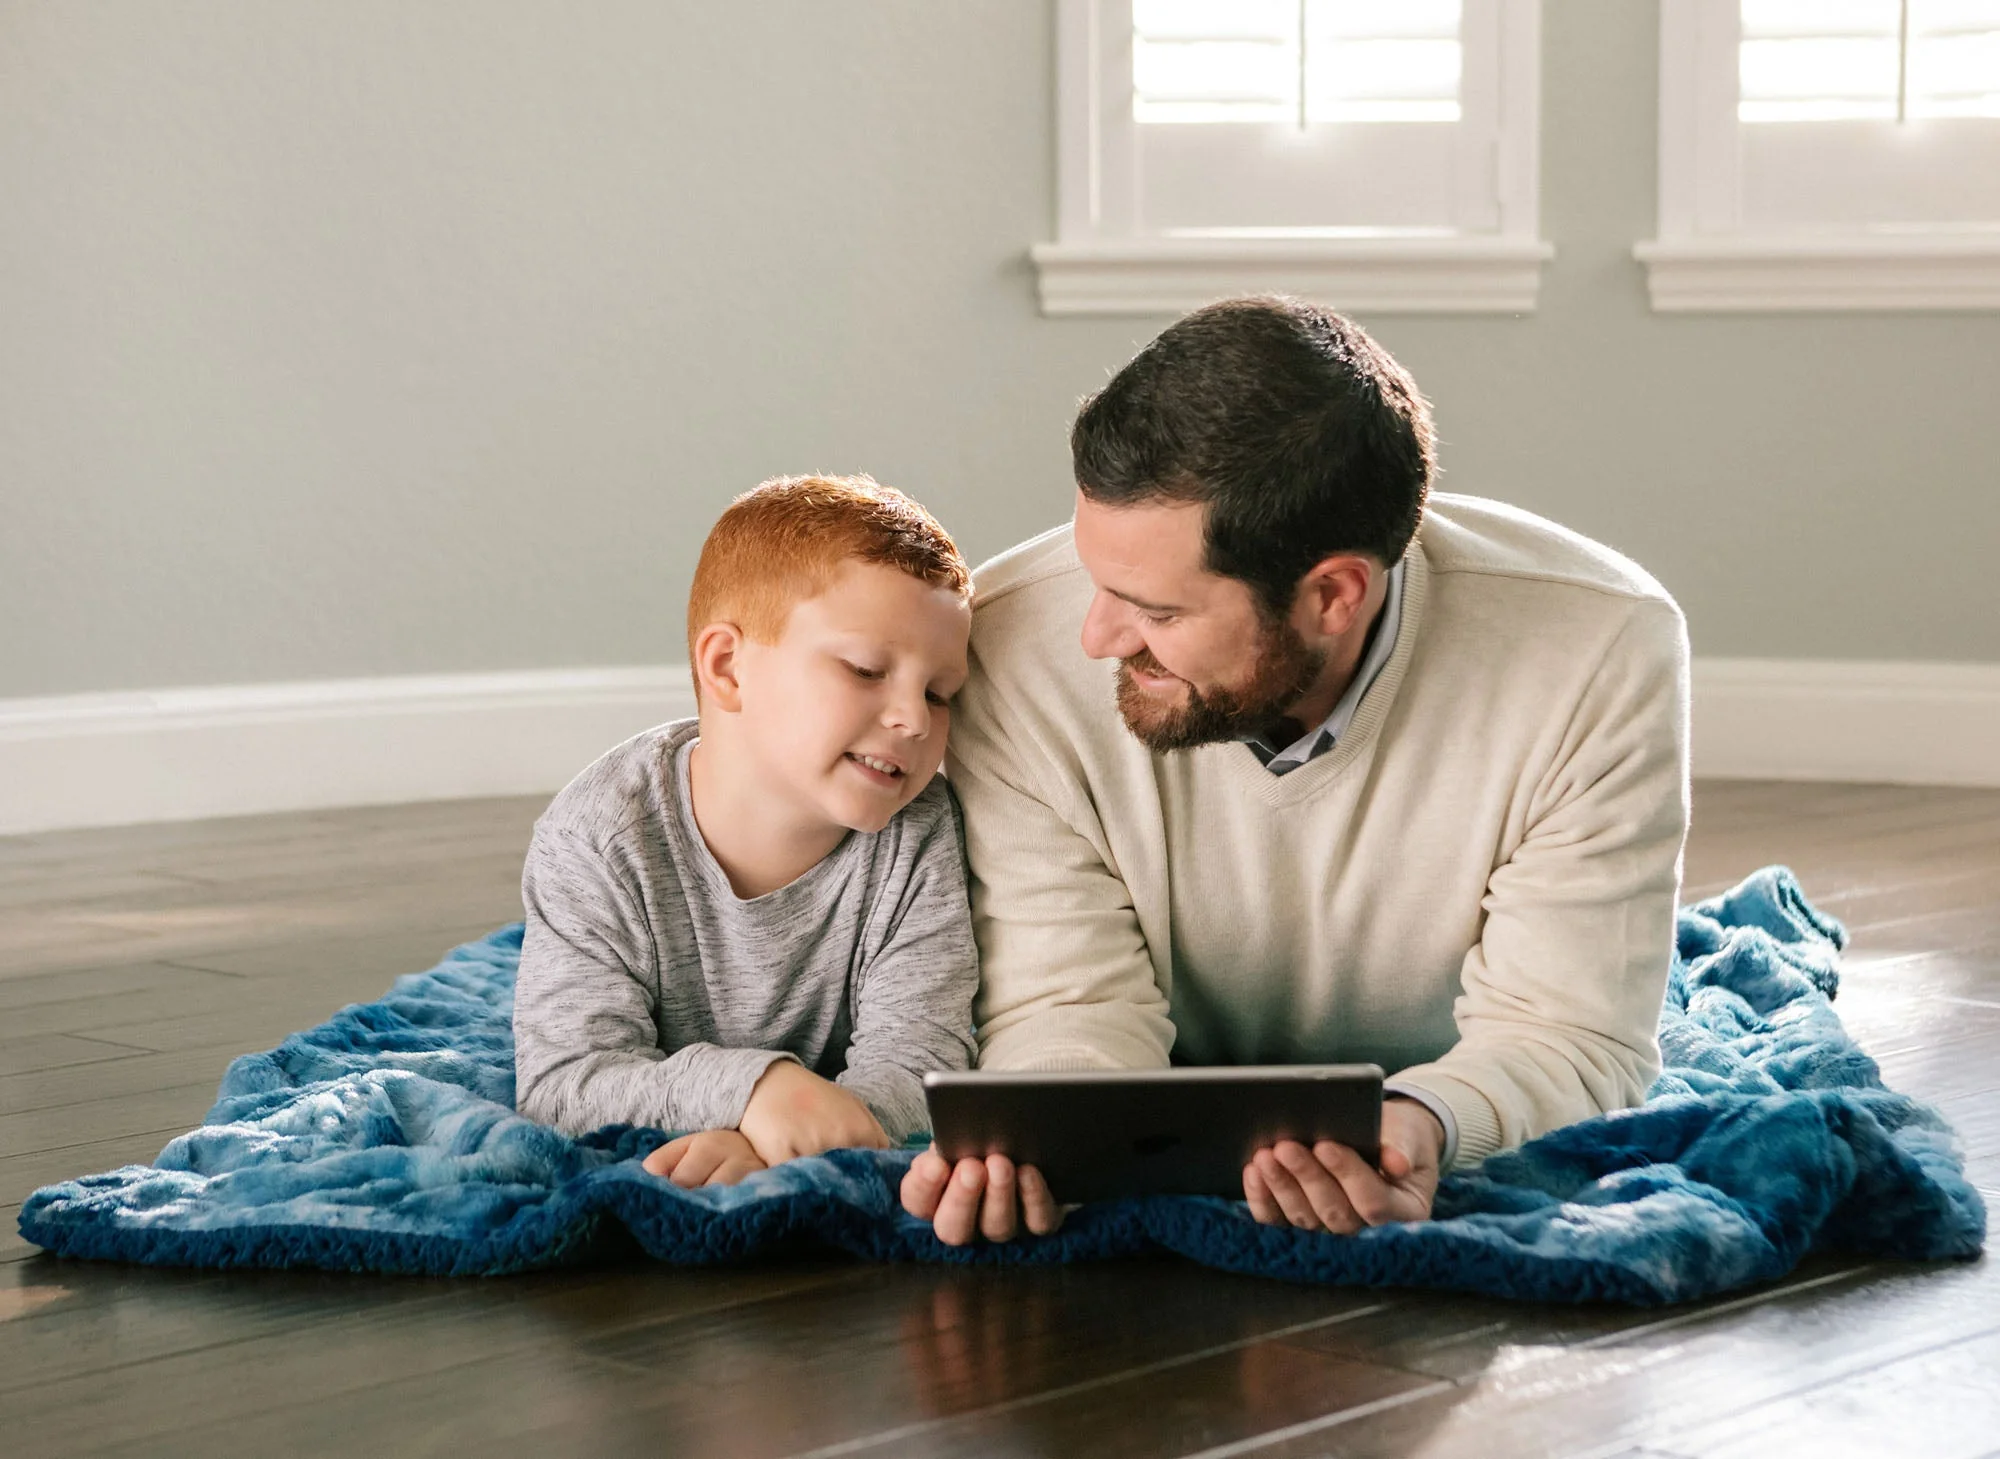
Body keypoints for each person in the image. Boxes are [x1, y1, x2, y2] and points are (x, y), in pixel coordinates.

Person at [901, 297, 1691, 1245]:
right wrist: (1041, 1139)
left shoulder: (1600, 649)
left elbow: (1571, 1033)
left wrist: (1426, 1126)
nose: (1096, 636)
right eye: (1093, 577)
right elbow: (1066, 1002)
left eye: (1157, 610)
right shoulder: (1007, 650)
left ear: (1334, 595)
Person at [514, 474, 980, 1188]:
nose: (914, 719)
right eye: (866, 670)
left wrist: (776, 1142)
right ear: (728, 668)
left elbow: (922, 1067)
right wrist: (758, 1091)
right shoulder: (596, 840)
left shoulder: (919, 834)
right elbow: (565, 1084)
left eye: (938, 693)